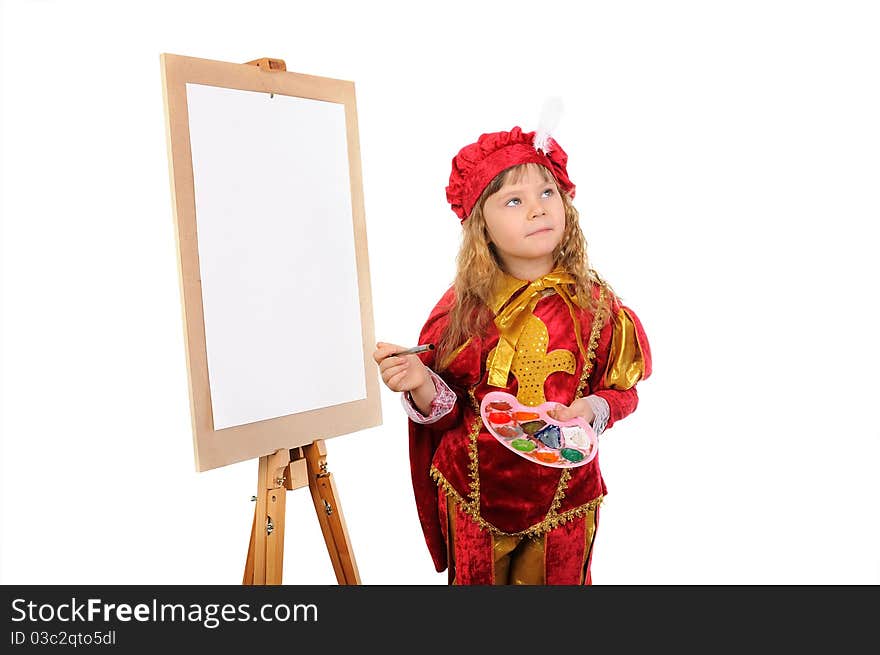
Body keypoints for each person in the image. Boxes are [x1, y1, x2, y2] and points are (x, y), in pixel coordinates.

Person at [373, 125, 652, 585]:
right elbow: (447, 414)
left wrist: (593, 409)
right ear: (482, 225)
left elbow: (624, 392)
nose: (538, 208)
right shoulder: (463, 310)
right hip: (476, 497)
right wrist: (420, 382)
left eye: (547, 191)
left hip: (566, 498)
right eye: (514, 200)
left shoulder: (599, 307)